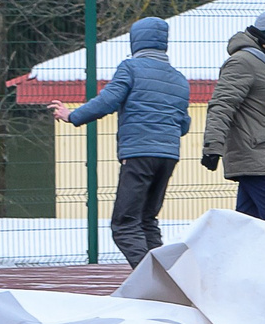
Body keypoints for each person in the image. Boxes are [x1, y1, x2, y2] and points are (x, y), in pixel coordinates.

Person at [53, 15, 190, 267]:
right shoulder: (179, 79)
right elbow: (184, 125)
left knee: (124, 224)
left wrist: (72, 115)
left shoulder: (130, 68)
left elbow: (108, 101)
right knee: (147, 220)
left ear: (136, 42)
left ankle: (151, 279)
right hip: (169, 156)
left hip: (139, 153)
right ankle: (168, 277)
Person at [200, 8, 265, 229]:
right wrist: (212, 146)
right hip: (257, 155)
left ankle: (231, 264)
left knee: (247, 227)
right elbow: (222, 105)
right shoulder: (243, 62)